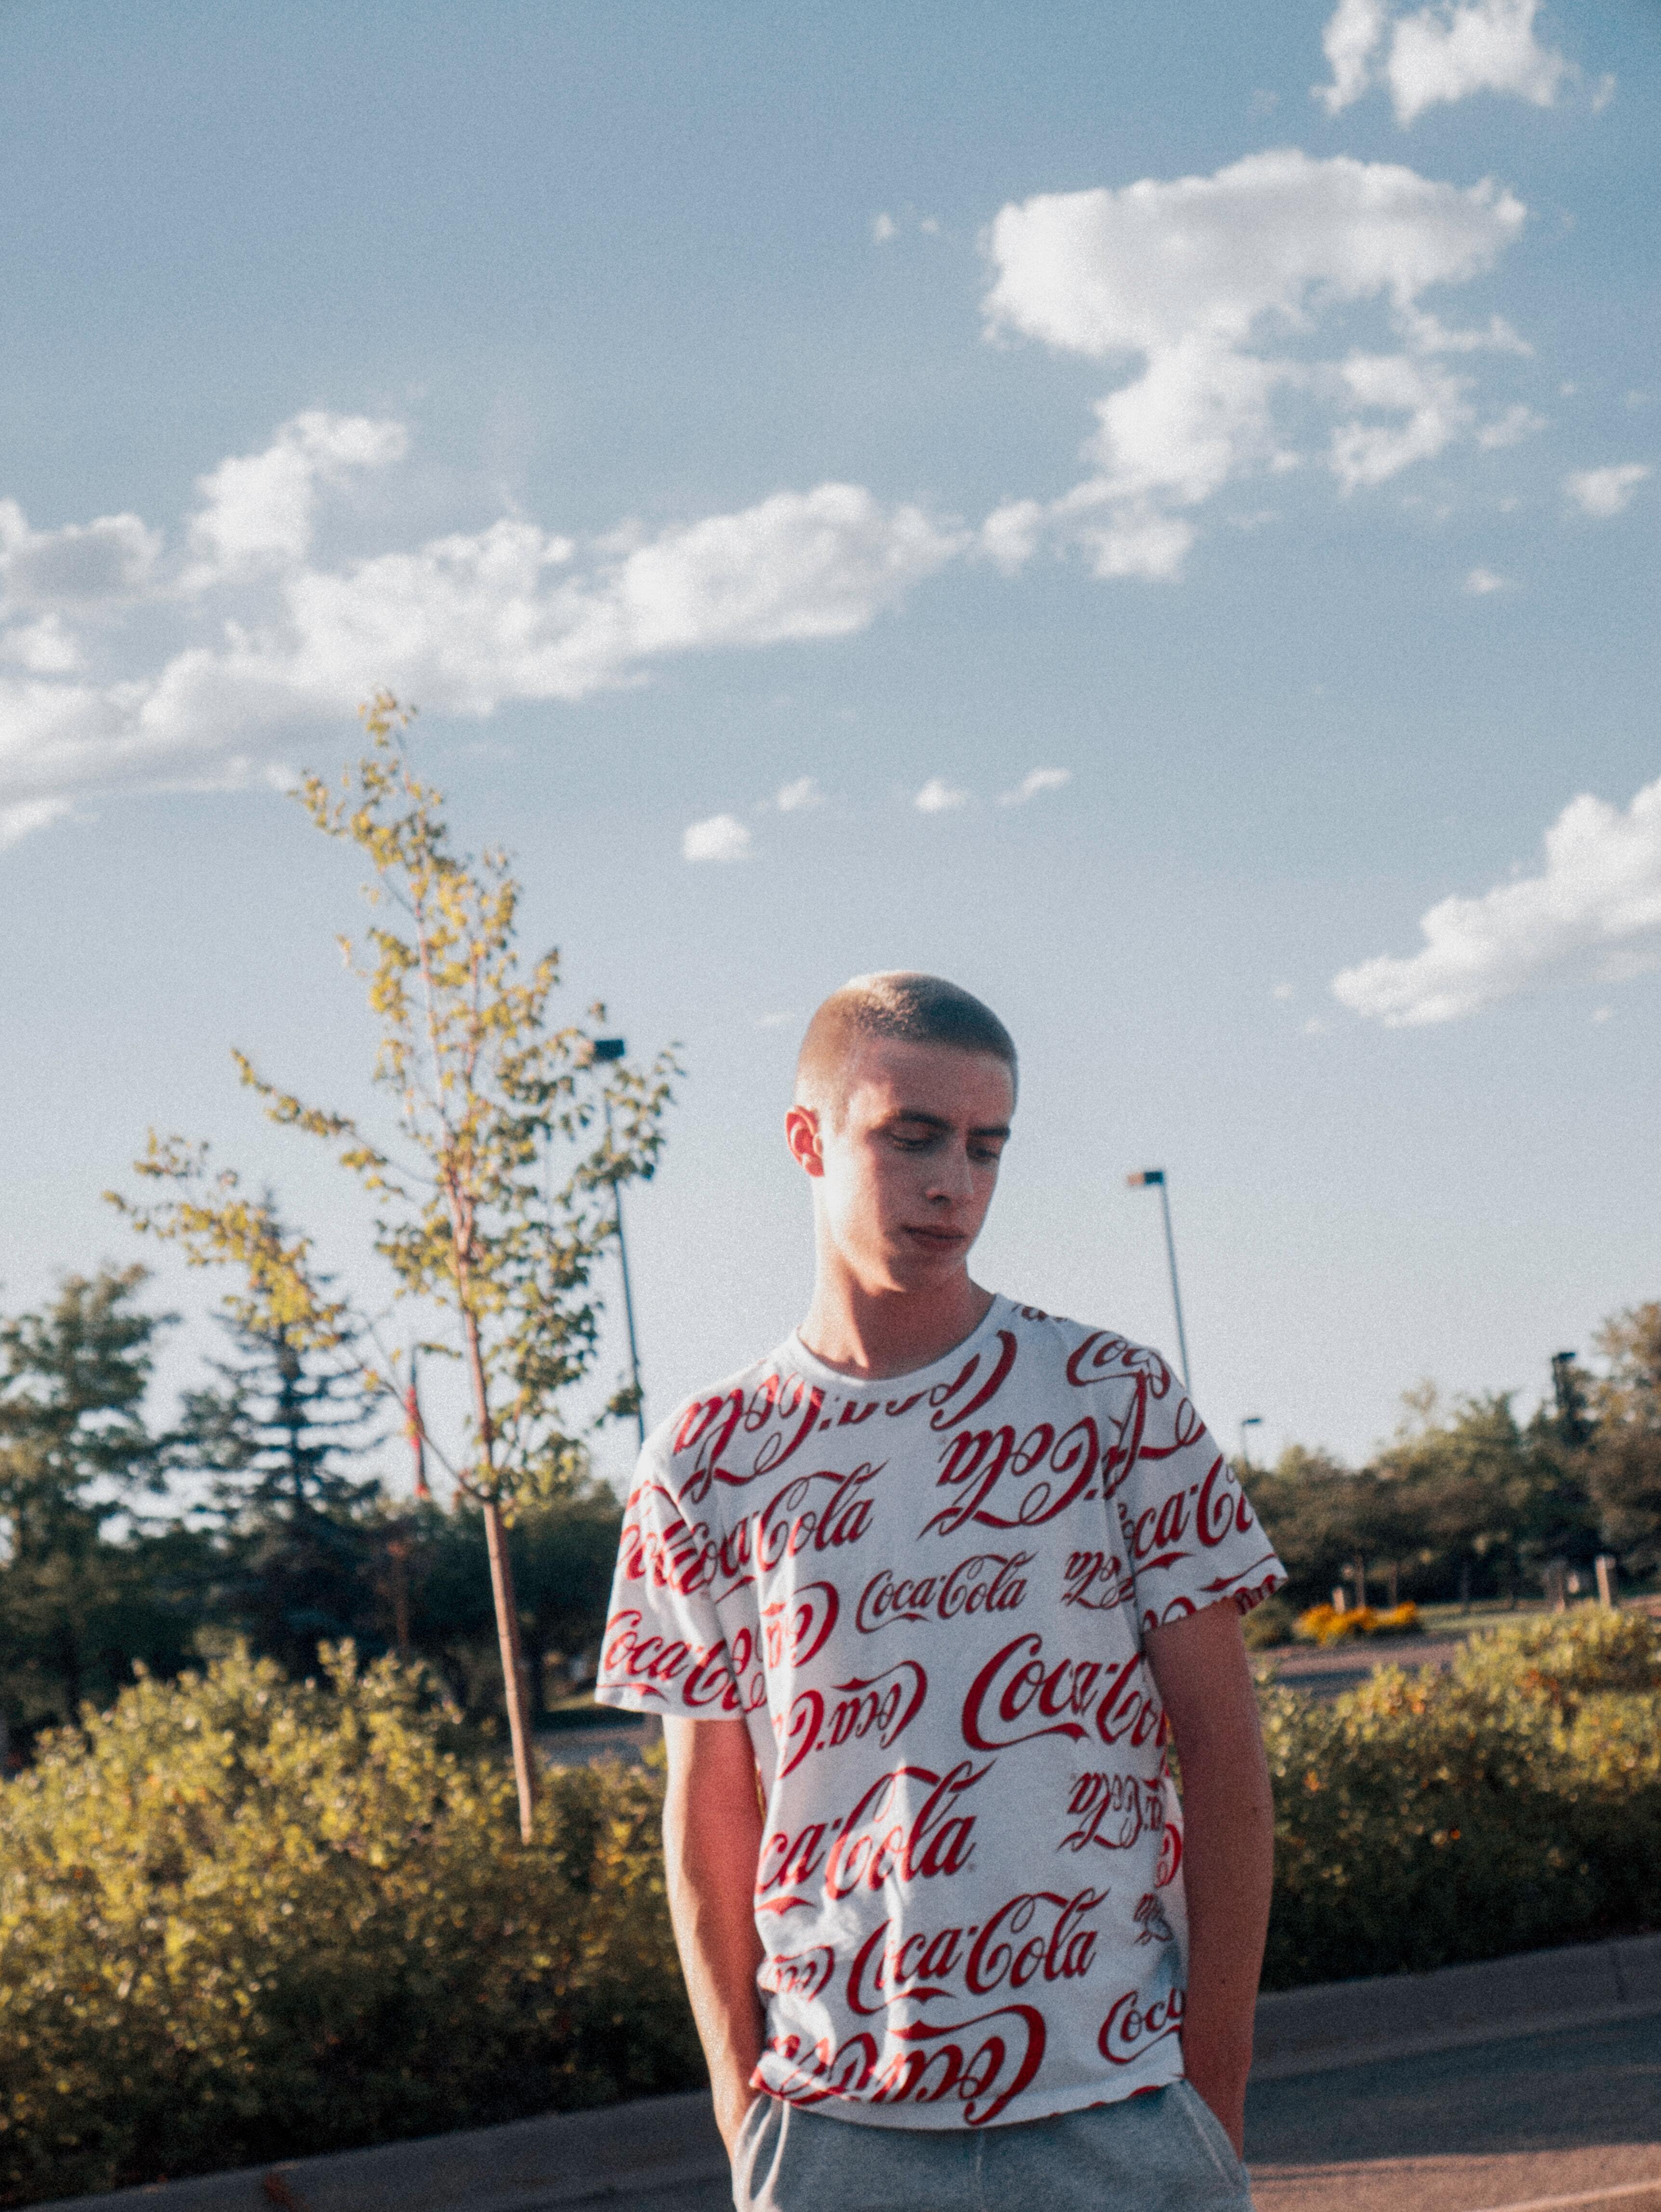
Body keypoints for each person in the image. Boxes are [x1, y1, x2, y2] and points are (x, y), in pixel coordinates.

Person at [595, 973, 1284, 2211]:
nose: (952, 1183)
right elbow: (710, 1809)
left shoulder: (1113, 1400)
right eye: (909, 1136)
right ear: (807, 1138)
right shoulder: (703, 1459)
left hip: (1120, 2109)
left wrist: (1210, 2103)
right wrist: (743, 2108)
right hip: (833, 2131)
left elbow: (1224, 1752)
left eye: (983, 1146)